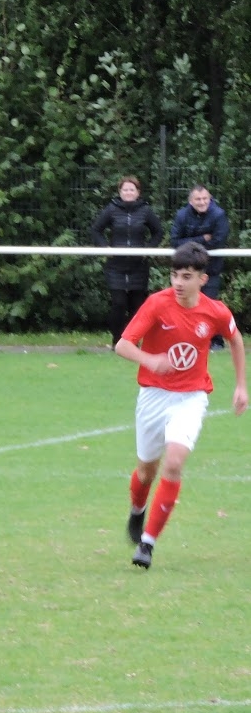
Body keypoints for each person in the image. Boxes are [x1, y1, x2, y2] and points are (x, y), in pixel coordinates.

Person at [114, 242, 246, 569]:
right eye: (174, 275)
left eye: (186, 276)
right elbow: (123, 345)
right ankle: (137, 510)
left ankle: (147, 544)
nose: (178, 282)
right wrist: (150, 360)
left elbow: (235, 339)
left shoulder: (215, 311)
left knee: (173, 463)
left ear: (202, 279)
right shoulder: (157, 304)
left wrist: (241, 385)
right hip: (153, 396)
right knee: (146, 471)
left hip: (191, 397)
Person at [90, 175, 164, 348]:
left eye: (132, 189)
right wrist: (105, 248)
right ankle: (117, 342)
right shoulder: (111, 209)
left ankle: (132, 342)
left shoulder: (145, 211)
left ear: (138, 192)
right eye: (125, 189)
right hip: (116, 266)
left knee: (137, 306)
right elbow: (96, 230)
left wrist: (148, 250)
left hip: (138, 266)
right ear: (120, 192)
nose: (128, 192)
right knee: (118, 303)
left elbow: (158, 232)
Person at [170, 184, 230, 349]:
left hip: (211, 270)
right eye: (198, 199)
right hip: (187, 272)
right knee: (184, 305)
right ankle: (185, 338)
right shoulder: (182, 215)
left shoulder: (219, 215)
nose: (202, 202)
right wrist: (203, 239)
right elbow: (174, 241)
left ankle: (216, 341)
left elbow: (218, 241)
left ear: (210, 199)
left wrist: (188, 247)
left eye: (205, 199)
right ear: (191, 201)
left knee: (211, 305)